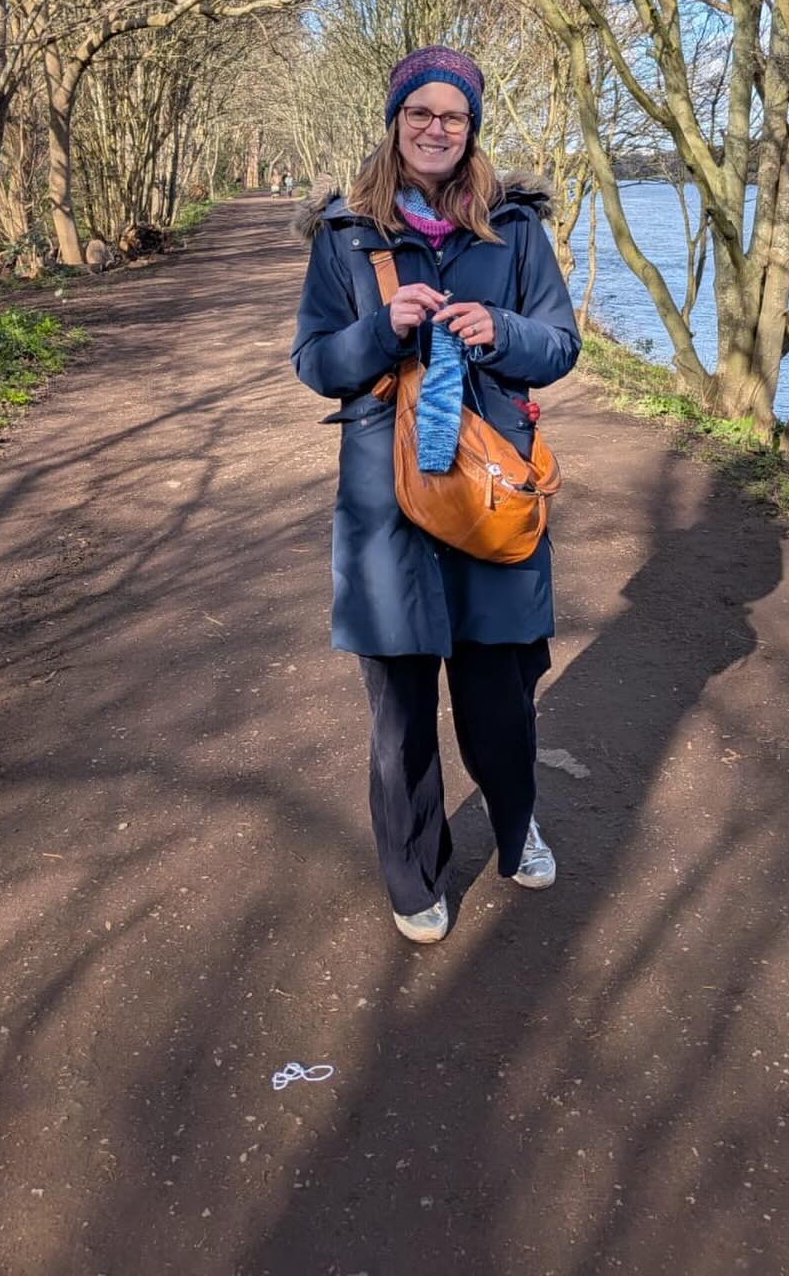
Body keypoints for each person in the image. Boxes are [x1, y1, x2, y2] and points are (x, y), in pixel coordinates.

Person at [292, 46, 581, 943]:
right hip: (388, 508)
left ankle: (513, 816)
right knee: (403, 713)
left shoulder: (517, 231)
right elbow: (315, 362)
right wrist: (383, 329)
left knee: (502, 696)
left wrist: (500, 331)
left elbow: (561, 347)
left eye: (453, 117)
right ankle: (413, 873)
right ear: (396, 122)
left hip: (492, 494)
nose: (435, 128)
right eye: (421, 113)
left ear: (472, 131)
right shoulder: (345, 237)